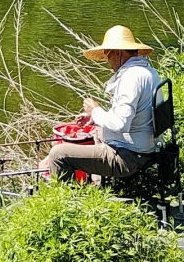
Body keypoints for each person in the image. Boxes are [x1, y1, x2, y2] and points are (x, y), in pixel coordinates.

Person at [39, 25, 161, 183]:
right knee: (94, 131)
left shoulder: (130, 78)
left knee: (58, 154)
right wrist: (95, 118)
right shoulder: (148, 72)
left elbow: (121, 124)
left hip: (128, 157)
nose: (107, 61)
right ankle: (91, 185)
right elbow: (131, 116)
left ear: (118, 52)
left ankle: (66, 204)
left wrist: (95, 110)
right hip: (146, 149)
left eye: (107, 55)